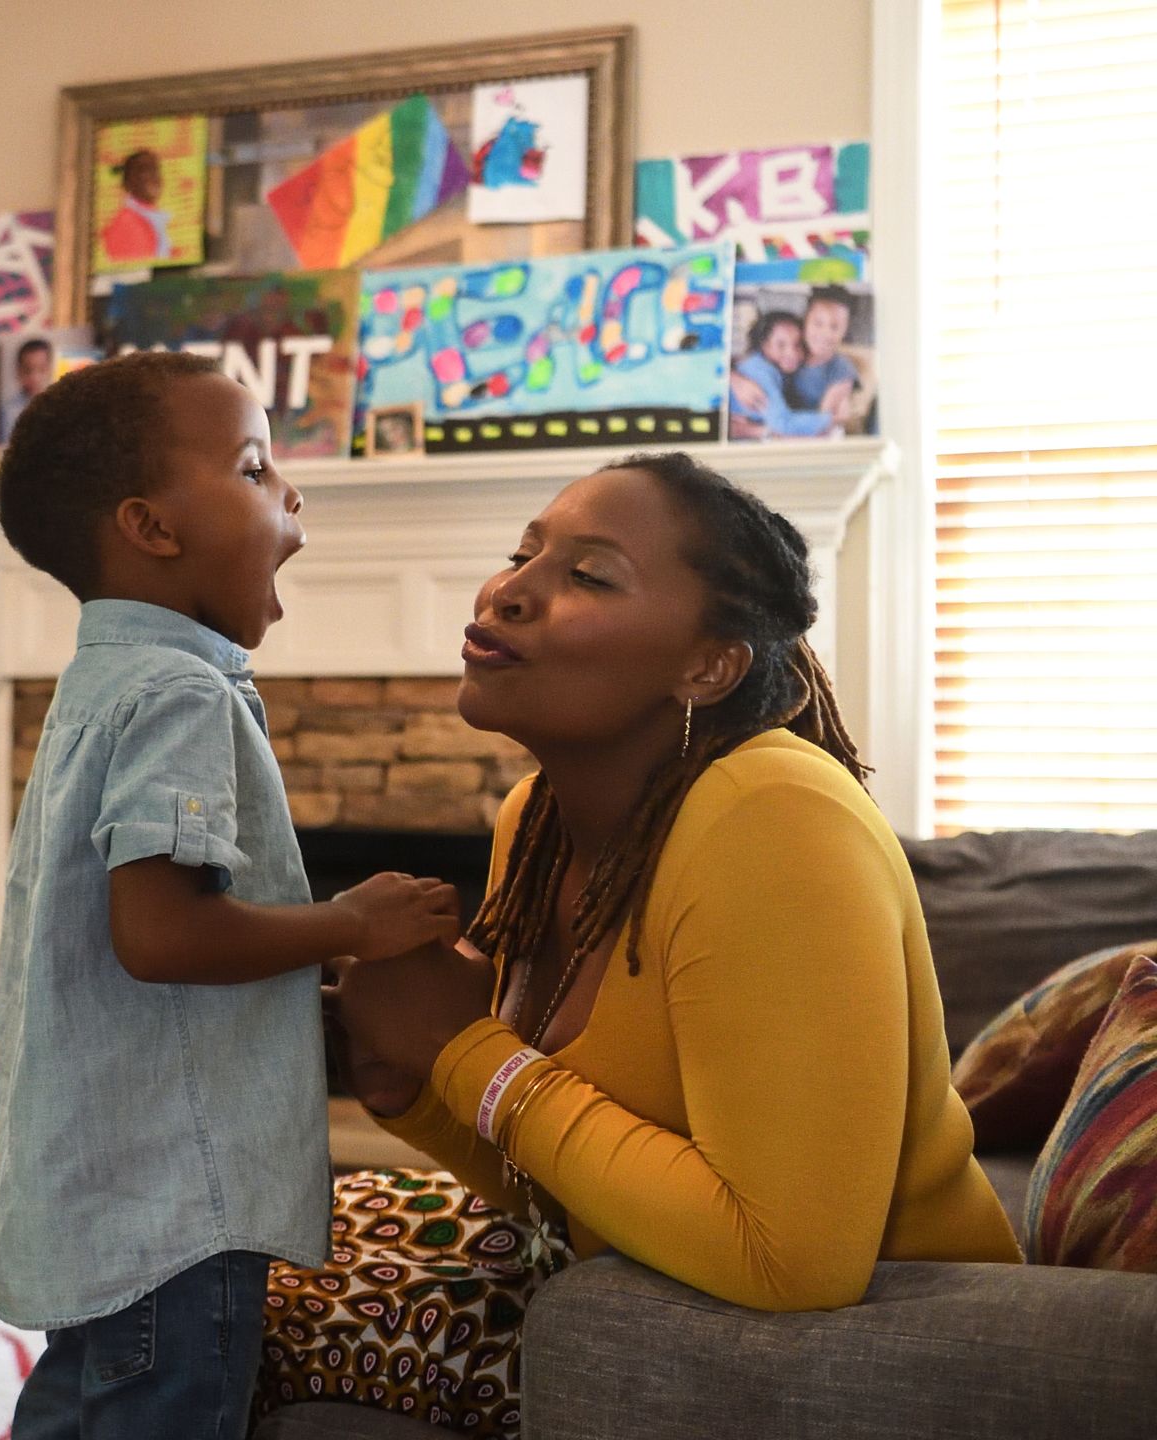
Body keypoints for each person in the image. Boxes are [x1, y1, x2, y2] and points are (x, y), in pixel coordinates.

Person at [258, 453, 1021, 1435]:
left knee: (233, 1317)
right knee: (226, 1258)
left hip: (876, 1343)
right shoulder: (536, 820)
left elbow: (791, 1261)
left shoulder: (773, 818)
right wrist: (417, 1087)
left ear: (707, 665)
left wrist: (466, 1051)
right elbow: (567, 1198)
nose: (508, 592)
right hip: (647, 1285)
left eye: (588, 574)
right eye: (522, 555)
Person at [0, 350, 464, 1439]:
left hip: (103, 1194)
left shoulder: (100, 685)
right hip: (176, 1213)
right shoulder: (180, 693)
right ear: (152, 527)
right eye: (255, 468)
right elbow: (160, 933)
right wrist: (349, 925)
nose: (291, 495)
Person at [726, 311, 837, 440]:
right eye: (781, 345)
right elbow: (783, 423)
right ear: (764, 345)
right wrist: (832, 419)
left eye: (798, 344)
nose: (792, 353)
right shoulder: (758, 369)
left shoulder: (778, 369)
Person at [788, 285, 862, 420]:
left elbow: (822, 421)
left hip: (812, 429)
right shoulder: (789, 351)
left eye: (835, 327)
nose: (825, 334)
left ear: (845, 331)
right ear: (805, 321)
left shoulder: (842, 369)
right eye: (818, 323)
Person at [100, 149, 173, 263]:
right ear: (128, 181)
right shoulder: (127, 223)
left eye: (155, 170)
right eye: (145, 170)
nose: (154, 177)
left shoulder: (151, 218)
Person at [0, 337, 54, 447]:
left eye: (42, 369)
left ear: (51, 368)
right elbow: (3, 449)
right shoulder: (7, 410)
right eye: (28, 370)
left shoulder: (61, 407)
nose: (35, 377)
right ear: (18, 371)